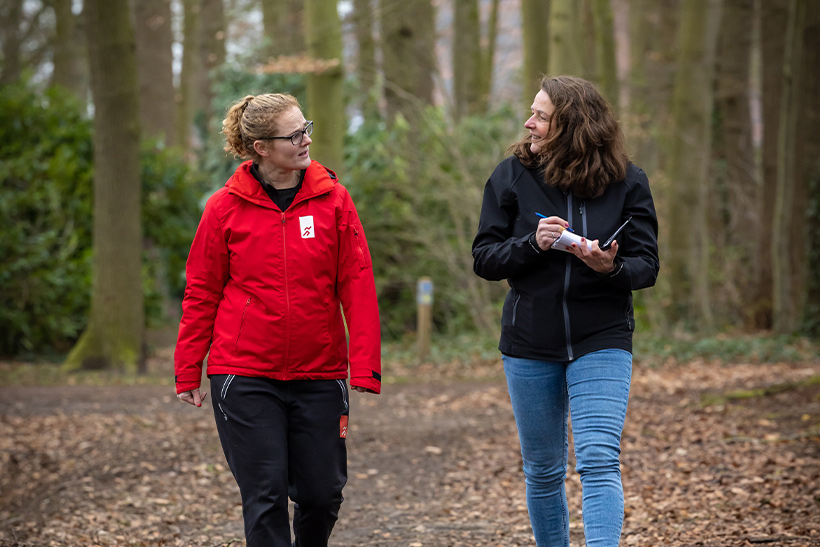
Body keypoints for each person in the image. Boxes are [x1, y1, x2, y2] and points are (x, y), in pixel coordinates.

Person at [173, 93, 381, 547]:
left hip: (320, 371)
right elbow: (202, 290)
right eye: (294, 134)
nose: (306, 139)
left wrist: (365, 365)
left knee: (322, 494)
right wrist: (189, 366)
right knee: (264, 496)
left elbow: (357, 283)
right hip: (244, 374)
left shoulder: (334, 200)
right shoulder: (223, 208)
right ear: (261, 147)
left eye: (306, 127)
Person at [472, 75, 659, 546]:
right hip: (529, 340)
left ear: (573, 127)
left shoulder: (627, 181)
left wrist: (610, 267)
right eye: (532, 112)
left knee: (598, 457)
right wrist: (531, 245)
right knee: (543, 469)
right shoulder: (511, 176)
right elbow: (484, 259)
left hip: (603, 337)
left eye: (541, 116)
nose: (529, 123)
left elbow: (647, 265)